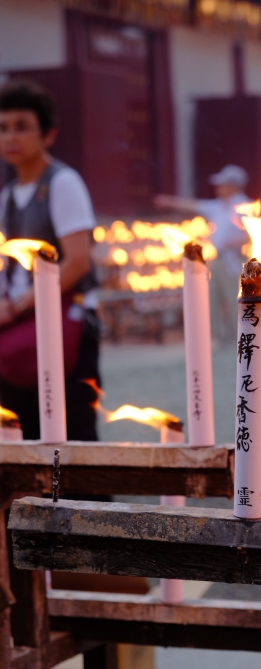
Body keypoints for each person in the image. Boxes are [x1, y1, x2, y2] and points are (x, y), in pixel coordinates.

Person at [0, 81, 100, 440]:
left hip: (64, 320)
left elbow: (77, 262)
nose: (11, 137)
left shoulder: (62, 183)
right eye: (3, 128)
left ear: (48, 134)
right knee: (21, 432)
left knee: (72, 435)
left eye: (22, 127)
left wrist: (20, 304)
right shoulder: (8, 196)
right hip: (21, 326)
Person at [155, 164, 250, 343]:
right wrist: (168, 201)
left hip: (234, 262)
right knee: (212, 298)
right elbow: (194, 205)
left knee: (234, 300)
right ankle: (219, 337)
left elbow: (254, 235)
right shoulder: (219, 206)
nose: (218, 188)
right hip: (218, 261)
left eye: (223, 184)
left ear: (233, 185)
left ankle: (241, 339)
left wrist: (236, 243)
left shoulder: (245, 207)